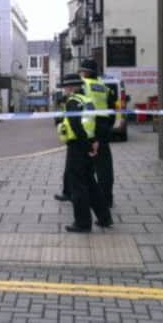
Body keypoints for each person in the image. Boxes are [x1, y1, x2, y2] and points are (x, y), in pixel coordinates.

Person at [56, 73, 113, 233]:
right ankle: (104, 217)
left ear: (72, 87)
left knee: (78, 187)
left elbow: (76, 126)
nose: (65, 90)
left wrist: (86, 145)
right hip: (88, 143)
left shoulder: (73, 102)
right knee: (91, 184)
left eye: (66, 87)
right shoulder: (88, 101)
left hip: (77, 146)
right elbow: (90, 124)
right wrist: (93, 141)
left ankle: (82, 223)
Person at [78, 59, 116, 208]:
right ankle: (107, 199)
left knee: (83, 165)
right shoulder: (104, 87)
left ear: (87, 72)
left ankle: (85, 197)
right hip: (103, 127)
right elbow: (113, 110)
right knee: (105, 167)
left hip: (88, 128)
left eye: (82, 71)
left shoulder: (83, 86)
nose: (81, 73)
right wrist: (107, 126)